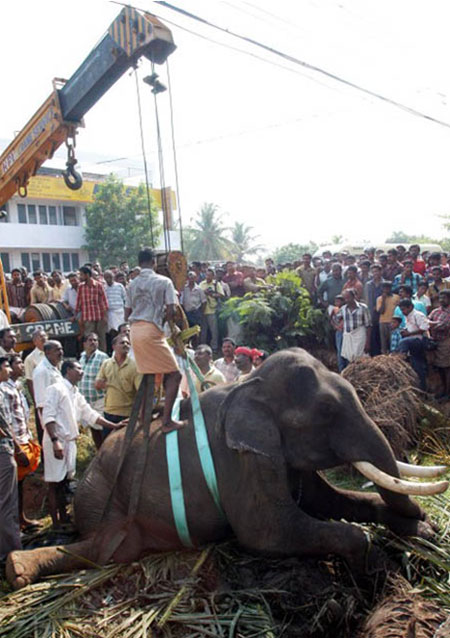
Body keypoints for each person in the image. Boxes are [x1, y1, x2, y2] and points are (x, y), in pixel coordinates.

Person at [42, 360, 122, 528]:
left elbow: (90, 414)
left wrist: (114, 425)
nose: (82, 371)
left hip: (69, 442)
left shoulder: (75, 392)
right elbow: (48, 416)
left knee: (64, 481)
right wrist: (55, 442)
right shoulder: (55, 389)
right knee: (54, 483)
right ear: (68, 370)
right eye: (78, 368)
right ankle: (55, 524)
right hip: (57, 441)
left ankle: (63, 517)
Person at [125, 247, 185, 433]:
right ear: (154, 263)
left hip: (135, 331)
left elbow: (127, 313)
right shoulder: (164, 281)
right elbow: (172, 311)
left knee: (149, 374)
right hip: (152, 331)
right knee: (175, 375)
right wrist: (165, 320)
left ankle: (144, 416)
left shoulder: (131, 284)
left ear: (139, 262)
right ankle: (167, 422)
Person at [2, 354, 40, 529]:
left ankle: (20, 519)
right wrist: (17, 448)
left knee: (19, 483)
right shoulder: (4, 390)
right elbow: (6, 421)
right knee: (11, 487)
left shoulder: (17, 386)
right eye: (17, 363)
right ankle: (13, 525)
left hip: (23, 437)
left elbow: (22, 415)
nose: (21, 366)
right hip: (14, 442)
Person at [95, 335, 141, 439]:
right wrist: (104, 384)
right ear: (114, 346)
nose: (126, 345)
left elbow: (140, 392)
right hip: (109, 413)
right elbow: (97, 384)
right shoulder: (106, 364)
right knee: (107, 443)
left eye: (128, 343)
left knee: (126, 444)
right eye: (122, 343)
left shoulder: (135, 366)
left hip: (127, 415)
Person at [0, 357, 23, 560]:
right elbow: (4, 426)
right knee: (7, 502)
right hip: (3, 451)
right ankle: (10, 550)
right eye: (6, 366)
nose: (9, 370)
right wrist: (17, 448)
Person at [79, 333, 109, 449]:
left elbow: (108, 378)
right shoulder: (82, 357)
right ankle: (98, 451)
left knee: (102, 427)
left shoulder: (103, 357)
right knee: (92, 426)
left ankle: (105, 451)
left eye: (95, 340)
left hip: (99, 399)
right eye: (90, 340)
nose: (93, 342)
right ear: (84, 343)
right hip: (86, 401)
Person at [395, 299, 429, 390]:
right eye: (401, 310)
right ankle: (421, 388)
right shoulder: (408, 316)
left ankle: (400, 359)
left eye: (404, 309)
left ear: (410, 307)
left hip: (420, 340)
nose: (403, 312)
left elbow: (424, 328)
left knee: (403, 342)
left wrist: (409, 334)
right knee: (417, 366)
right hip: (412, 343)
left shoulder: (418, 315)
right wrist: (405, 331)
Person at [75, 265, 108, 352]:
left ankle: (103, 356)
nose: (80, 277)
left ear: (87, 275)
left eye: (81, 275)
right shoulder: (81, 287)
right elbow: (78, 302)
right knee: (89, 338)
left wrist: (105, 316)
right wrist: (76, 315)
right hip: (88, 317)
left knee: (101, 338)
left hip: (100, 316)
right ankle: (89, 354)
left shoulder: (99, 285)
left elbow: (104, 302)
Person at [338, 289, 371, 366]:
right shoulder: (343, 309)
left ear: (354, 297)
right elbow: (335, 318)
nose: (347, 300)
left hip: (360, 336)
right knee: (349, 357)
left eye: (348, 298)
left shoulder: (363, 308)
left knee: (361, 357)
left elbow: (369, 326)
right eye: (345, 298)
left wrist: (367, 342)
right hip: (348, 336)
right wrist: (337, 326)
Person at [32, 340, 64, 421]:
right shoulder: (41, 371)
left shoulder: (54, 367)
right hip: (52, 419)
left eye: (61, 349)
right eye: (57, 350)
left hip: (61, 416)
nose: (61, 352)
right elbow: (41, 404)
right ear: (47, 352)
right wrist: (47, 424)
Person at [428, 290, 450, 398]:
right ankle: (442, 389)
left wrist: (432, 324)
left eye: (444, 298)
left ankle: (447, 392)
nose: (441, 300)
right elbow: (426, 322)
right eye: (440, 298)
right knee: (438, 367)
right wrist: (432, 324)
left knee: (446, 367)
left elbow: (443, 326)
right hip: (435, 341)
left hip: (445, 341)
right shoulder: (435, 311)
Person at [200, 268, 224, 354]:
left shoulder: (216, 284)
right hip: (203, 310)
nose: (208, 277)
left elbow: (221, 294)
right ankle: (202, 347)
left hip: (212, 310)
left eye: (210, 275)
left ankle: (214, 347)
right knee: (203, 330)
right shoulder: (201, 284)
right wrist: (204, 292)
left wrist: (212, 294)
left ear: (213, 276)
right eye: (207, 275)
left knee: (214, 331)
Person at [104, 269, 127, 347]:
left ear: (113, 277)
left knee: (121, 330)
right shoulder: (104, 288)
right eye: (106, 278)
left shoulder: (119, 286)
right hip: (110, 312)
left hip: (120, 311)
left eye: (110, 277)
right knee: (112, 332)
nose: (108, 279)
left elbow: (125, 299)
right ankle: (114, 347)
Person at [376, 282, 400, 354]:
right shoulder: (379, 299)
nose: (386, 290)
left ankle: (393, 356)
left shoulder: (396, 297)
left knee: (392, 342)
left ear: (390, 288)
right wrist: (383, 300)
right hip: (383, 322)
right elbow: (381, 311)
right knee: (384, 342)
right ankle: (384, 356)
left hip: (393, 322)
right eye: (384, 288)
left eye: (388, 288)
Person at [330, 294, 345, 372]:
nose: (337, 303)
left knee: (346, 349)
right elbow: (330, 318)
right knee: (340, 350)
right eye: (336, 301)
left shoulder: (345, 308)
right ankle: (341, 368)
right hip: (339, 331)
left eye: (339, 301)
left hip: (345, 331)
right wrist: (335, 326)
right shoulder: (335, 309)